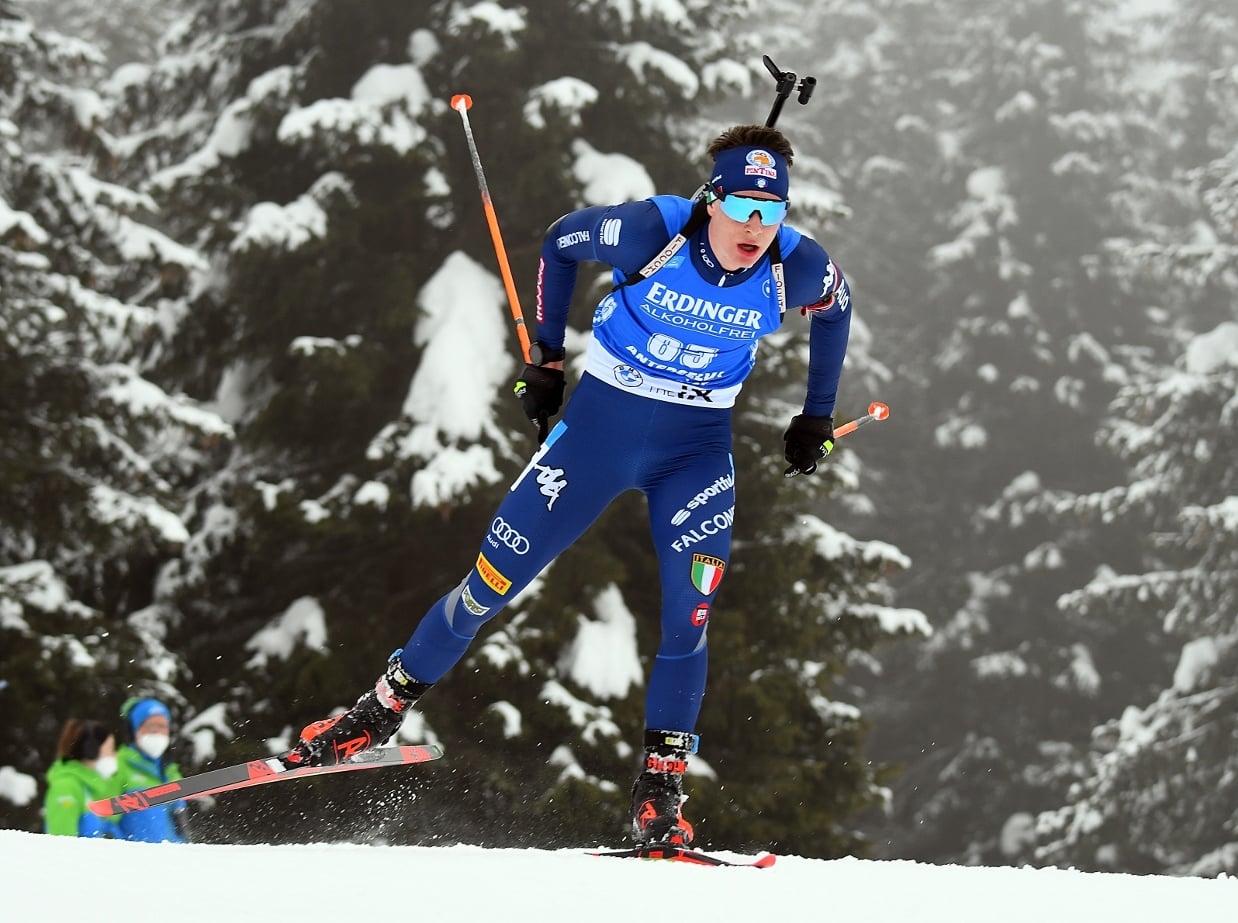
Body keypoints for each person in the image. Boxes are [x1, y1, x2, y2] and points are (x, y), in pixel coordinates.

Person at [283, 124, 853, 847]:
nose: (754, 228)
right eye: (742, 207)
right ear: (711, 200)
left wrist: (817, 413)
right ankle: (374, 712)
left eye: (771, 214)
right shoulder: (654, 231)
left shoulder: (794, 268)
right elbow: (559, 241)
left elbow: (838, 310)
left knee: (691, 614)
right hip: (595, 436)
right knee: (488, 583)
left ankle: (660, 797)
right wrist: (547, 358)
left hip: (696, 453)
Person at [115, 696, 188, 842]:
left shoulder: (170, 771)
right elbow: (104, 821)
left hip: (169, 860)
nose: (158, 732)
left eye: (163, 726)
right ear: (135, 729)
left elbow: (178, 828)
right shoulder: (118, 766)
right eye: (151, 726)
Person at [44, 719, 123, 838]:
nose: (114, 755)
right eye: (110, 748)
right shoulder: (66, 787)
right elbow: (61, 844)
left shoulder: (91, 787)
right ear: (92, 751)